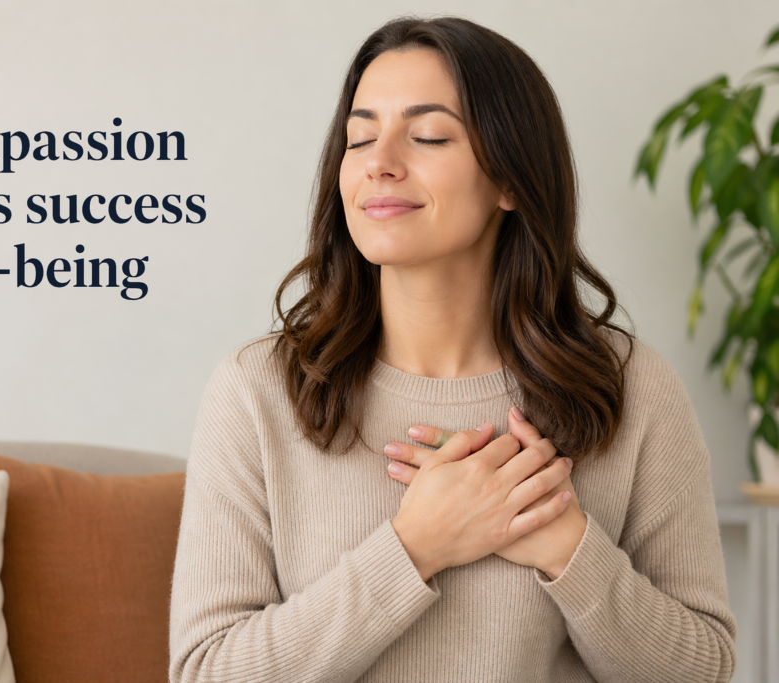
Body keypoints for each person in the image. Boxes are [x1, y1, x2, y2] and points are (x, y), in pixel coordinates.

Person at [169, 16, 736, 683]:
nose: (380, 161)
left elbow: (704, 670)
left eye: (429, 134)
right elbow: (207, 673)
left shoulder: (632, 387)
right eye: (360, 137)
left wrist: (566, 545)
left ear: (511, 179)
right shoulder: (255, 391)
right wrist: (415, 547)